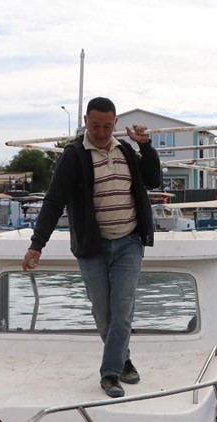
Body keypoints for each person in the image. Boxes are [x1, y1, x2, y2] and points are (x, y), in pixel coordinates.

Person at [22, 96, 161, 398]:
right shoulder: (74, 156)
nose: (101, 132)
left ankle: (109, 374)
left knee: (122, 311)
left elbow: (153, 180)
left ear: (115, 124)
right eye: (96, 126)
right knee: (103, 313)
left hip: (128, 243)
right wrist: (37, 245)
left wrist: (146, 146)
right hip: (92, 247)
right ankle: (123, 361)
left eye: (107, 126)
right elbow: (53, 201)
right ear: (86, 121)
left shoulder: (125, 150)